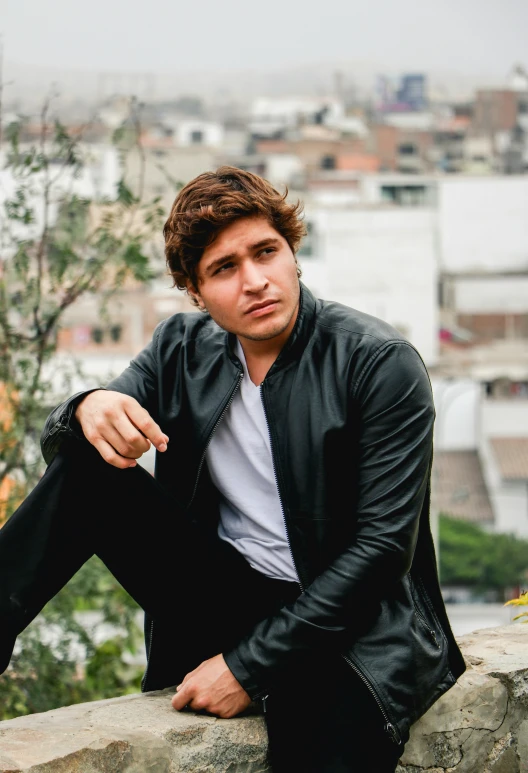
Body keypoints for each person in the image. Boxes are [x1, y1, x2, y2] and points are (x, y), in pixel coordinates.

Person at [0, 166, 465, 772]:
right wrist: (85, 406)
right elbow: (83, 451)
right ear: (196, 292)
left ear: (292, 253)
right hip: (229, 595)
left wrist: (248, 666)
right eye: (224, 269)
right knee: (92, 461)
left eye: (265, 253)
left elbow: (380, 552)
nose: (255, 281)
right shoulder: (180, 349)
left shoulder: (377, 362)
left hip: (350, 628)